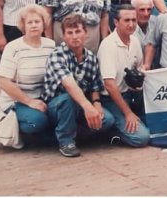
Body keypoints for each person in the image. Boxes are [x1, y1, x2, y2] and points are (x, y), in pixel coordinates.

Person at [41, 14, 114, 157]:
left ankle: (71, 133)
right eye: (70, 33)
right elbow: (69, 85)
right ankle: (65, 140)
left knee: (107, 120)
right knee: (68, 99)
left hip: (80, 106)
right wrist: (88, 108)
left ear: (85, 33)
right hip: (56, 106)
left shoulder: (91, 58)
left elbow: (94, 85)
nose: (74, 37)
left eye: (78, 31)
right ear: (63, 36)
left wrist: (97, 104)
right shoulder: (57, 55)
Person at [0, 4, 56, 143]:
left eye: (37, 22)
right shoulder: (13, 48)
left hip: (43, 99)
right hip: (17, 101)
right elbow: (3, 81)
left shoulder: (51, 45)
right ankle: (20, 131)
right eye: (29, 22)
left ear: (44, 24)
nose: (34, 25)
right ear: (23, 25)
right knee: (38, 121)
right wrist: (29, 102)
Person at [98, 5, 150, 147]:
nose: (131, 24)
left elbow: (138, 67)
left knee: (157, 125)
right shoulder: (108, 45)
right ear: (116, 22)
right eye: (126, 20)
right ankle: (111, 131)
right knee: (142, 138)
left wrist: (142, 71)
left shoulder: (135, 40)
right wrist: (127, 113)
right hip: (111, 99)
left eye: (134, 20)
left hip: (131, 94)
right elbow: (109, 85)